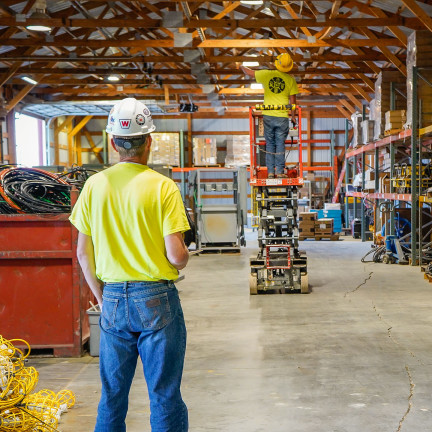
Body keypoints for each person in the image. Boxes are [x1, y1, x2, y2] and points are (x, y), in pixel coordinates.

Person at [69, 97, 190, 432]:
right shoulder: (163, 187)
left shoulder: (93, 187)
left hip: (113, 299)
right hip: (156, 300)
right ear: (148, 141)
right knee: (164, 395)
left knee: (112, 396)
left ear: (113, 142)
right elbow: (176, 257)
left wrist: (103, 295)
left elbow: (82, 253)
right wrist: (183, 255)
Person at [241, 52, 299, 178]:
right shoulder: (290, 80)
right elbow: (293, 101)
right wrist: (293, 116)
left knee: (270, 144)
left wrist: (240, 65)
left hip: (268, 115)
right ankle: (279, 171)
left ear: (277, 63)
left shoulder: (267, 74)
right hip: (282, 116)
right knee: (280, 144)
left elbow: (249, 72)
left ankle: (270, 172)